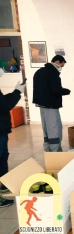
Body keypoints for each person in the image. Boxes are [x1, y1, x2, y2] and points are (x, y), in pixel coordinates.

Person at [33, 55, 70, 152]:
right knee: (54, 128)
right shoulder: (53, 73)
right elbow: (55, 90)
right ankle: (55, 150)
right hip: (51, 105)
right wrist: (66, 91)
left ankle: (47, 148)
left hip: (41, 104)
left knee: (46, 127)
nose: (61, 67)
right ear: (57, 62)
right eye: (62, 65)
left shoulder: (39, 71)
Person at [0, 68, 25, 207]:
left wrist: (16, 91)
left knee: (3, 157)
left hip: (2, 130)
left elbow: (3, 101)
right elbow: (5, 105)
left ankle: (4, 184)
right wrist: (17, 92)